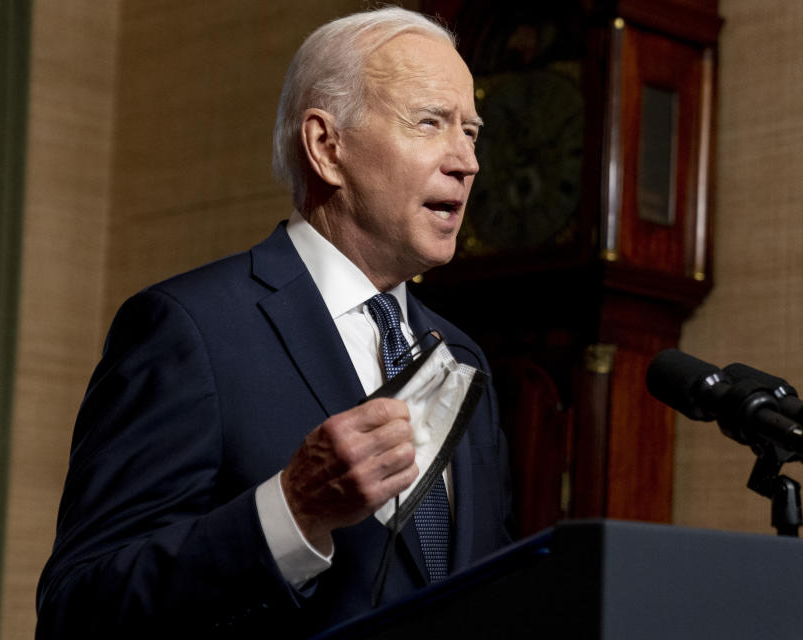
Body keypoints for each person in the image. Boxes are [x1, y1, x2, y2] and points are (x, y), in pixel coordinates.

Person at [36, 6, 513, 638]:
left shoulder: (462, 357)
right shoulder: (190, 331)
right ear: (326, 146)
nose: (466, 160)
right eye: (430, 122)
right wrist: (293, 511)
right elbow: (80, 610)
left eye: (471, 131)